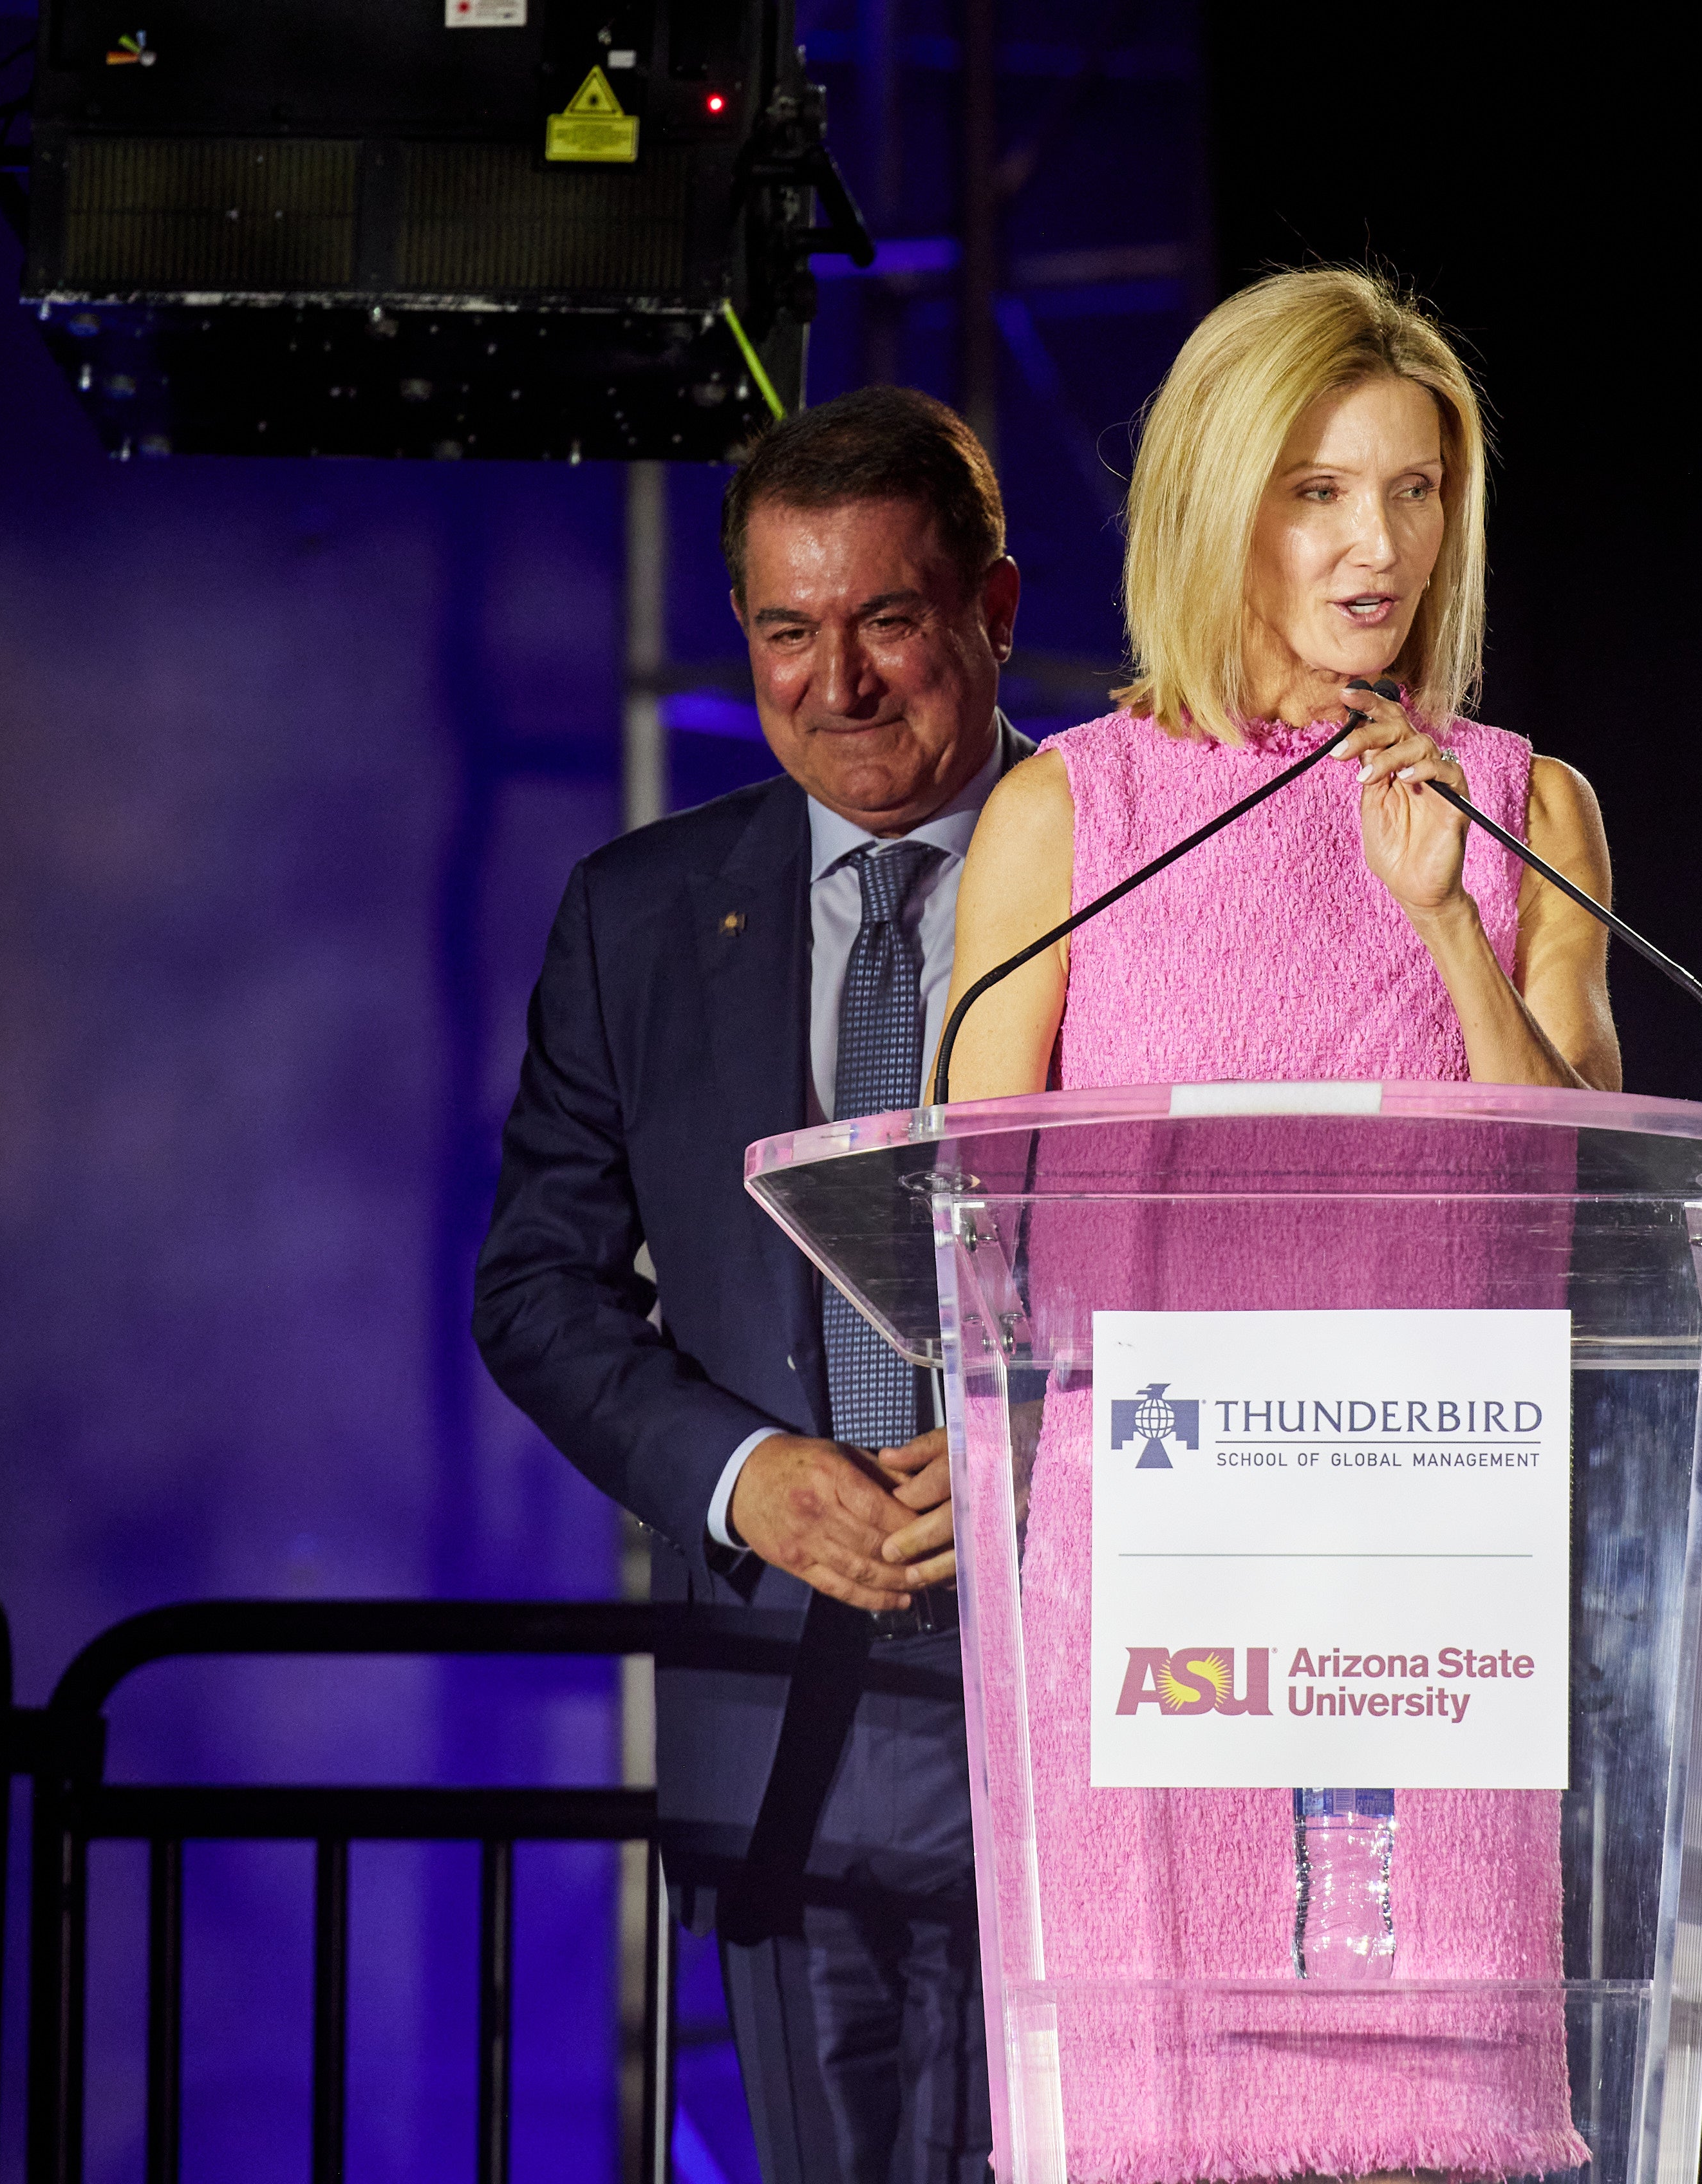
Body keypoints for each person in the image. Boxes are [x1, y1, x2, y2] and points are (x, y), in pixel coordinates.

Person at [945, 269, 1614, 2180]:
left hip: (1433, 1573)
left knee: (1440, 2136)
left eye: (1413, 493)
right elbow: (963, 1208)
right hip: (1163, 1580)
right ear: (1220, 501)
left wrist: (1434, 920)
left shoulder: (1522, 805)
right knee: (1168, 2131)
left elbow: (1575, 1187)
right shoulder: (1074, 813)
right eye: (1320, 491)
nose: (1375, 546)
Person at [475, 385, 1028, 2183]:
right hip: (784, 1726)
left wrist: (1049, 1447)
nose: (837, 682)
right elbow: (537, 1288)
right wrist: (746, 1479)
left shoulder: (1130, 872)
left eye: (887, 619)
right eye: (790, 629)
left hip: (1097, 1700)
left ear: (992, 611)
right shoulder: (637, 913)